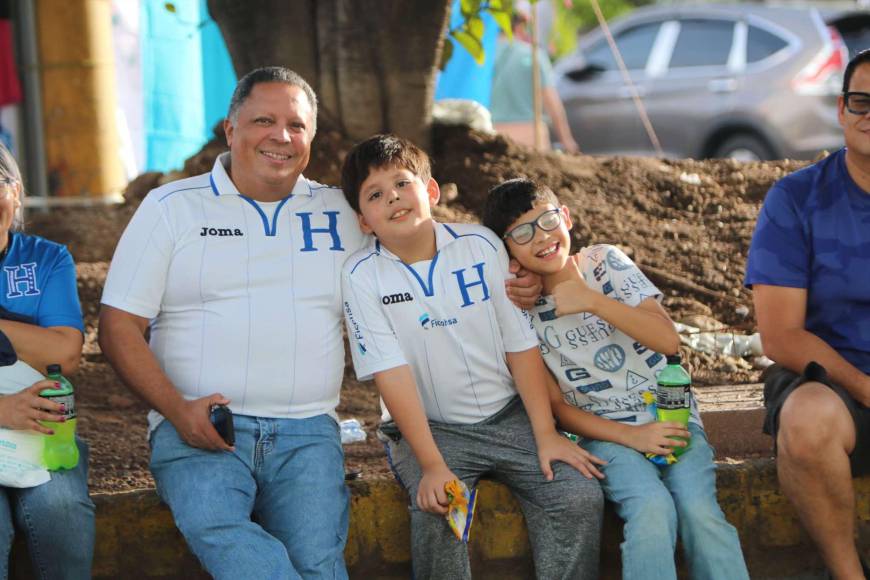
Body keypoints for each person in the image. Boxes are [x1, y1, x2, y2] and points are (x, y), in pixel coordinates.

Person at [98, 67, 542, 579]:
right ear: (231, 129)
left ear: (311, 137)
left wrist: (517, 274)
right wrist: (177, 410)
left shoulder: (344, 209)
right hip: (201, 428)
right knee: (219, 528)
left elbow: (427, 247)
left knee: (320, 563)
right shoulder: (171, 208)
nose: (281, 137)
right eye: (264, 120)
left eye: (296, 125)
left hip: (308, 432)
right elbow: (118, 327)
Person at [340, 135, 604, 580]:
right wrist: (431, 465)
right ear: (364, 221)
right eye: (376, 195)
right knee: (443, 507)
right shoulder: (361, 276)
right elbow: (391, 373)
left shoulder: (480, 245)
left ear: (432, 191)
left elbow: (519, 343)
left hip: (510, 416)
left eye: (403, 184)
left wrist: (545, 433)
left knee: (577, 496)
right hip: (432, 431)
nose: (394, 199)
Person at [483, 178, 750, 580]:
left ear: (566, 217)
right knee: (651, 509)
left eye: (547, 220)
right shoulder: (521, 312)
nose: (541, 236)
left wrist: (590, 299)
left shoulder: (605, 263)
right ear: (509, 253)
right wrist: (632, 437)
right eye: (522, 233)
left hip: (674, 419)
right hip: (608, 437)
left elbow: (666, 340)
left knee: (700, 512)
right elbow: (557, 408)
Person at [745, 48, 870, 580]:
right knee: (807, 420)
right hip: (835, 386)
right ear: (842, 110)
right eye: (863, 101)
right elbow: (781, 334)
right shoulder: (796, 199)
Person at [0, 142, 94, 579]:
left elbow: (64, 353)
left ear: (15, 192)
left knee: (61, 513)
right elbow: (45, 345)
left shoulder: (46, 259)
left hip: (44, 428)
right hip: (13, 411)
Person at [490, 11, 579, 153]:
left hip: (492, 136)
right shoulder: (532, 54)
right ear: (519, 27)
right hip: (531, 135)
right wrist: (566, 140)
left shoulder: (481, 58)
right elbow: (551, 101)